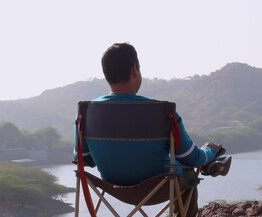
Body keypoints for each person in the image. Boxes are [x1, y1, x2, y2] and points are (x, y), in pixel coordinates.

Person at [73, 42, 222, 217]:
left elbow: (84, 160)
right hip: (160, 187)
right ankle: (210, 167)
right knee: (188, 171)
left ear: (106, 73)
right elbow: (191, 157)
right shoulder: (163, 112)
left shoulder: (86, 113)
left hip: (112, 186)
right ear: (134, 69)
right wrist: (210, 151)